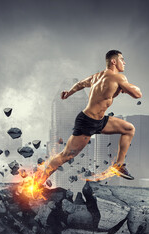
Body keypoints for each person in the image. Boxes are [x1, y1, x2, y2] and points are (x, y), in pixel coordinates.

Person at [36, 50, 142, 184]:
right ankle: (38, 181)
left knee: (128, 129)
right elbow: (138, 94)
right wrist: (126, 87)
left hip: (99, 120)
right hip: (87, 122)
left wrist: (69, 93)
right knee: (66, 155)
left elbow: (80, 84)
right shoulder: (119, 77)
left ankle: (119, 166)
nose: (124, 62)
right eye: (122, 59)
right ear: (114, 61)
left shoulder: (97, 76)